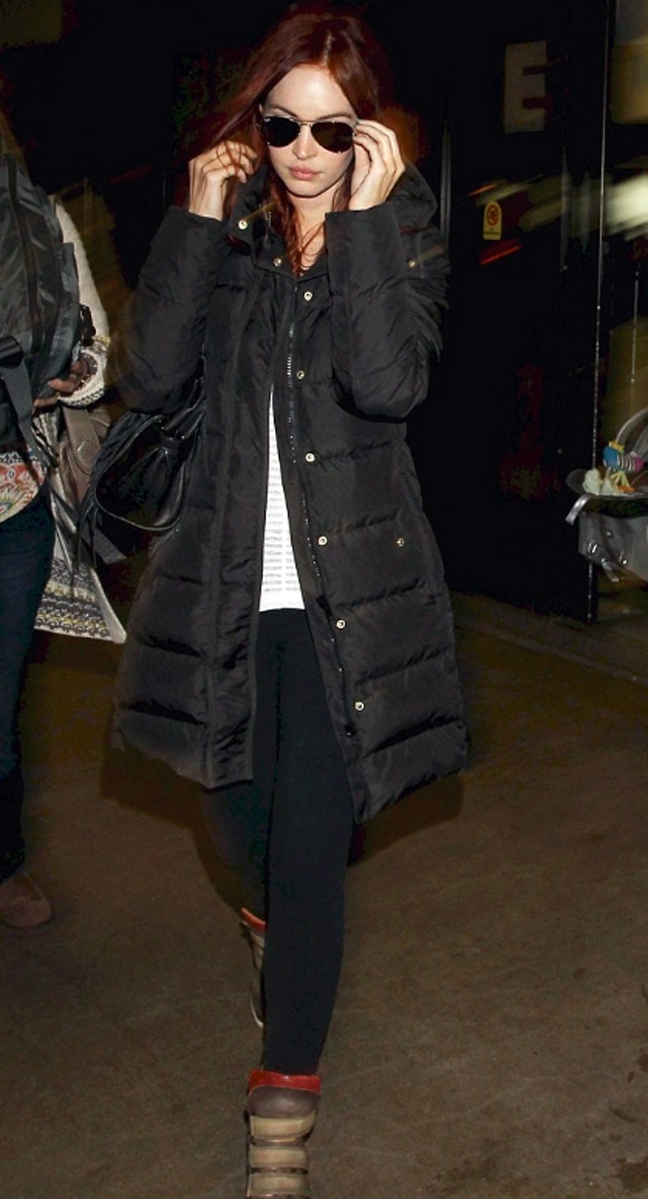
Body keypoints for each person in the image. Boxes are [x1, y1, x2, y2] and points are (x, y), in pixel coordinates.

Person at [110, 6, 468, 1194]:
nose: (304, 152)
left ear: (368, 133)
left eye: (332, 129)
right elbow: (151, 373)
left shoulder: (401, 226)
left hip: (344, 598)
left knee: (311, 845)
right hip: (220, 584)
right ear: (254, 124)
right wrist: (195, 217)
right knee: (235, 826)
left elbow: (388, 380)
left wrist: (363, 223)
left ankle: (283, 1103)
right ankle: (268, 919)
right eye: (283, 125)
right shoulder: (227, 234)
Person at [0, 111, 109, 931]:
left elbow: (99, 354)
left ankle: (3, 862)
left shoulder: (38, 216)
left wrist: (71, 375)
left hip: (13, 504)